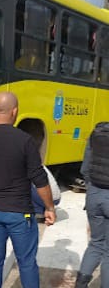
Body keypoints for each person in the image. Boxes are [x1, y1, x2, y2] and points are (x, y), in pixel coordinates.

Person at [0, 91, 56, 288]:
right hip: (19, 213)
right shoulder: (25, 140)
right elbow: (39, 179)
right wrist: (49, 207)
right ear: (14, 112)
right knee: (26, 263)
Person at [75, 122, 109, 288]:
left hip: (94, 194)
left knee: (95, 243)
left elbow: (85, 168)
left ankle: (80, 284)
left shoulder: (97, 132)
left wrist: (92, 189)